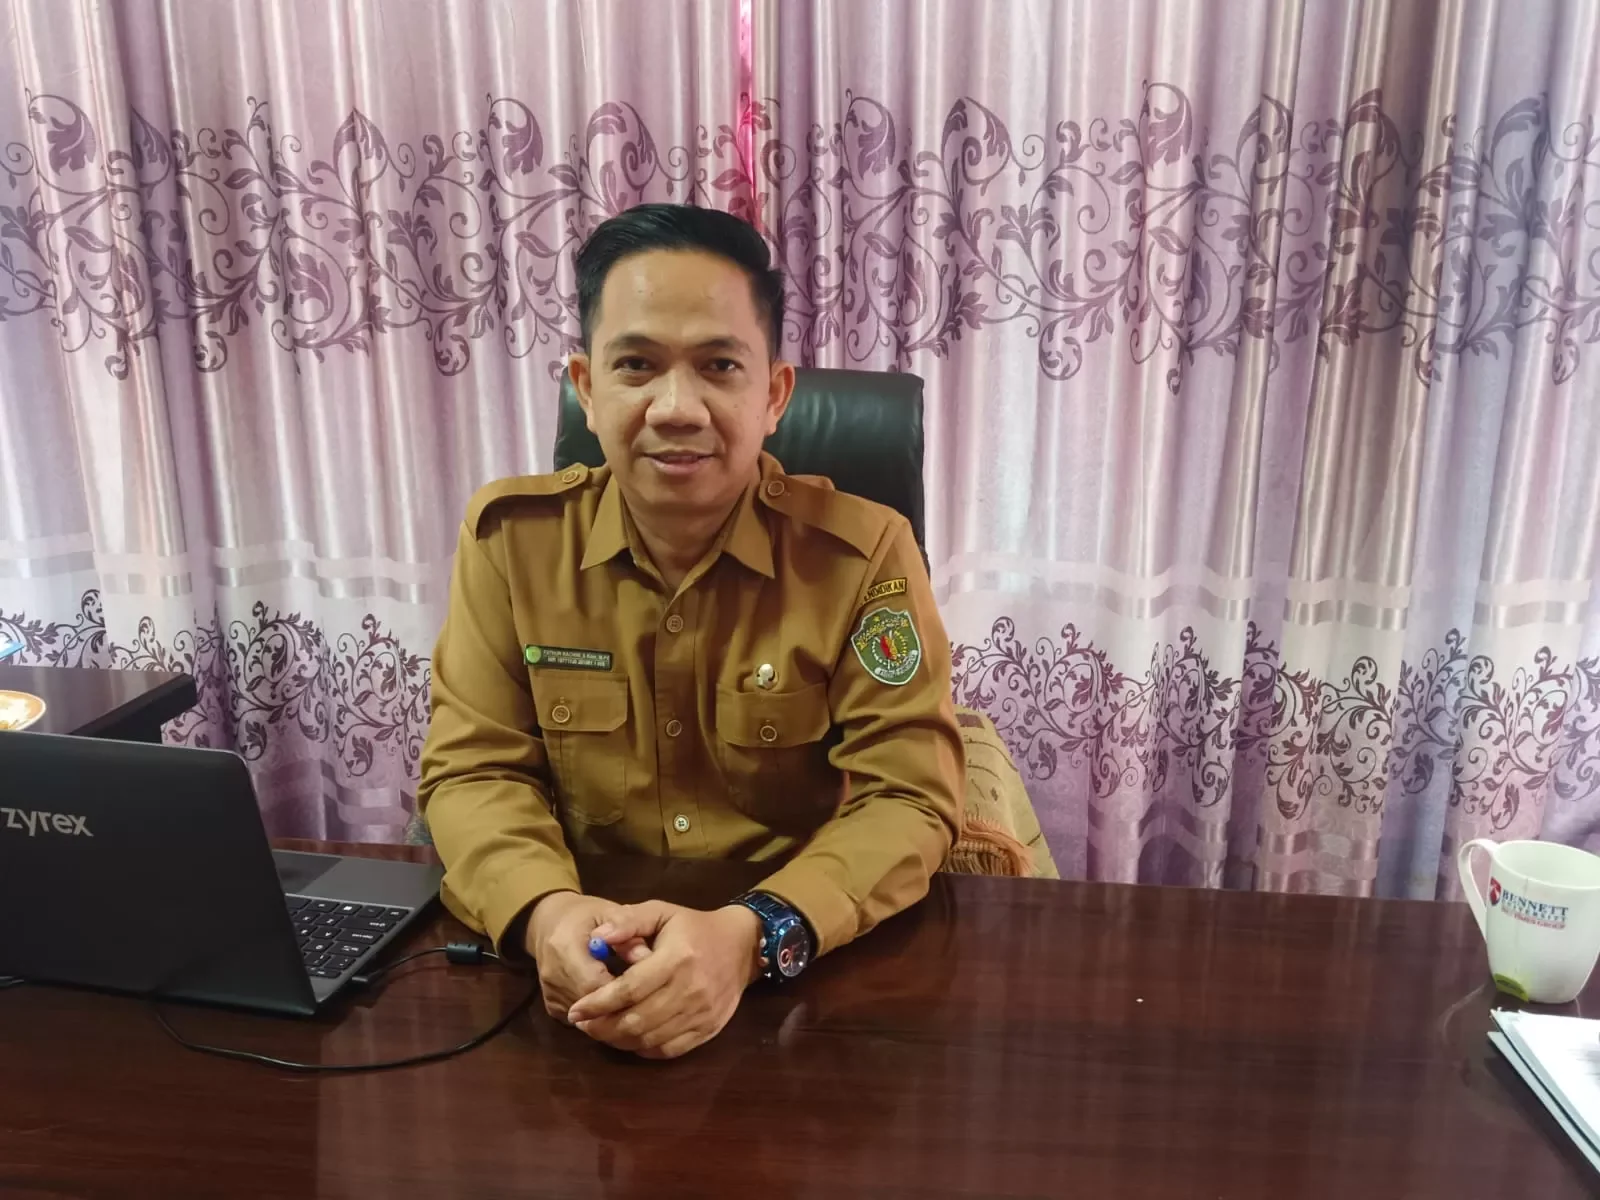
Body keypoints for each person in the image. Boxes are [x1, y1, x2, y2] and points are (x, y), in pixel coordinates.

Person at [418, 203, 964, 1059]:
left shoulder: (861, 556)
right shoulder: (512, 545)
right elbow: (473, 770)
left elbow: (910, 796)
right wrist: (544, 912)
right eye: (636, 365)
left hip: (798, 993)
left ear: (773, 394)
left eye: (719, 366)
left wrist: (752, 935)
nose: (676, 408)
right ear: (587, 388)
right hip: (582, 976)